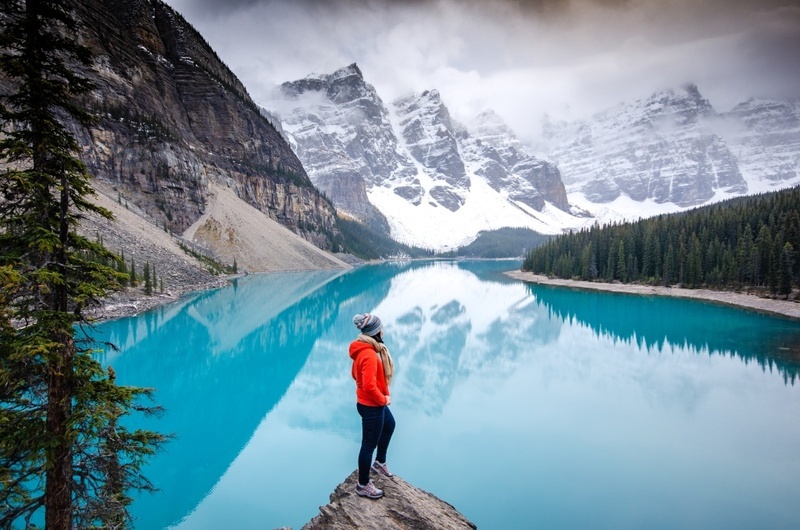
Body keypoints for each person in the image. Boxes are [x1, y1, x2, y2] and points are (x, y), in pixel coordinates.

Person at [349, 313, 396, 499]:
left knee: (390, 425)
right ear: (376, 332)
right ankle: (363, 484)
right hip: (372, 406)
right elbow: (369, 386)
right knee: (368, 445)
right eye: (381, 328)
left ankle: (379, 463)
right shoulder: (369, 354)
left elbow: (355, 374)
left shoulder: (364, 349)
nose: (383, 330)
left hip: (371, 403)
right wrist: (383, 399)